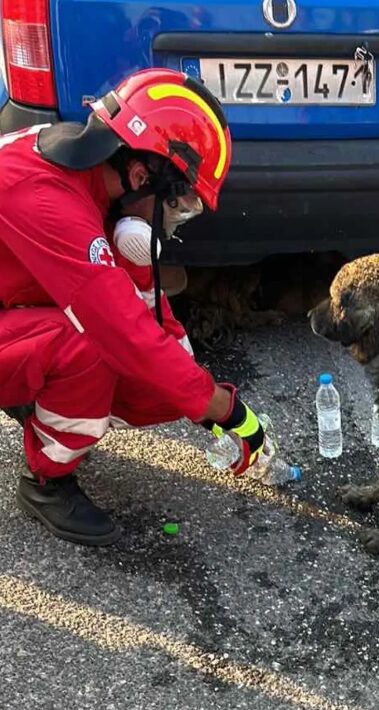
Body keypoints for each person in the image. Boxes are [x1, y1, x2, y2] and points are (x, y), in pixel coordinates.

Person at [0, 69, 265, 546]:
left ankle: (37, 399)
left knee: (166, 383)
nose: (174, 218)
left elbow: (147, 318)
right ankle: (47, 482)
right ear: (141, 174)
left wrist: (198, 394)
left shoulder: (93, 182)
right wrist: (226, 409)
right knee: (90, 344)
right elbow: (120, 329)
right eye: (175, 202)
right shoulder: (48, 200)